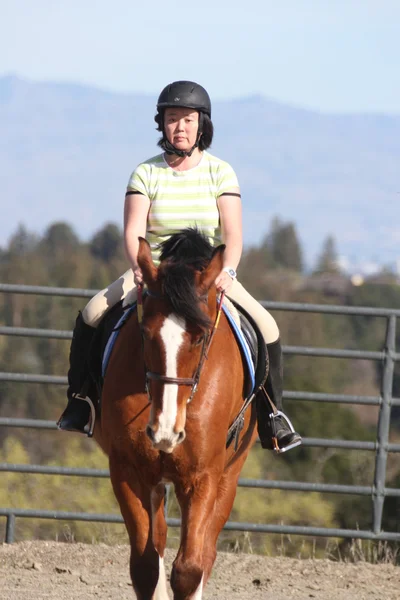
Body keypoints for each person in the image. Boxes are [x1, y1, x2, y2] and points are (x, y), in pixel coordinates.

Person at [57, 80, 302, 452]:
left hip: (205, 275)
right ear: (162, 124)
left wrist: (228, 271)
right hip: (155, 272)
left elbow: (233, 235)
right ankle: (81, 402)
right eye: (173, 119)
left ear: (202, 124)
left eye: (188, 119)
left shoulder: (221, 173)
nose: (181, 127)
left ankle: (273, 416)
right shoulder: (145, 174)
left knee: (267, 326)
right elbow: (133, 231)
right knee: (92, 314)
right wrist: (139, 268)